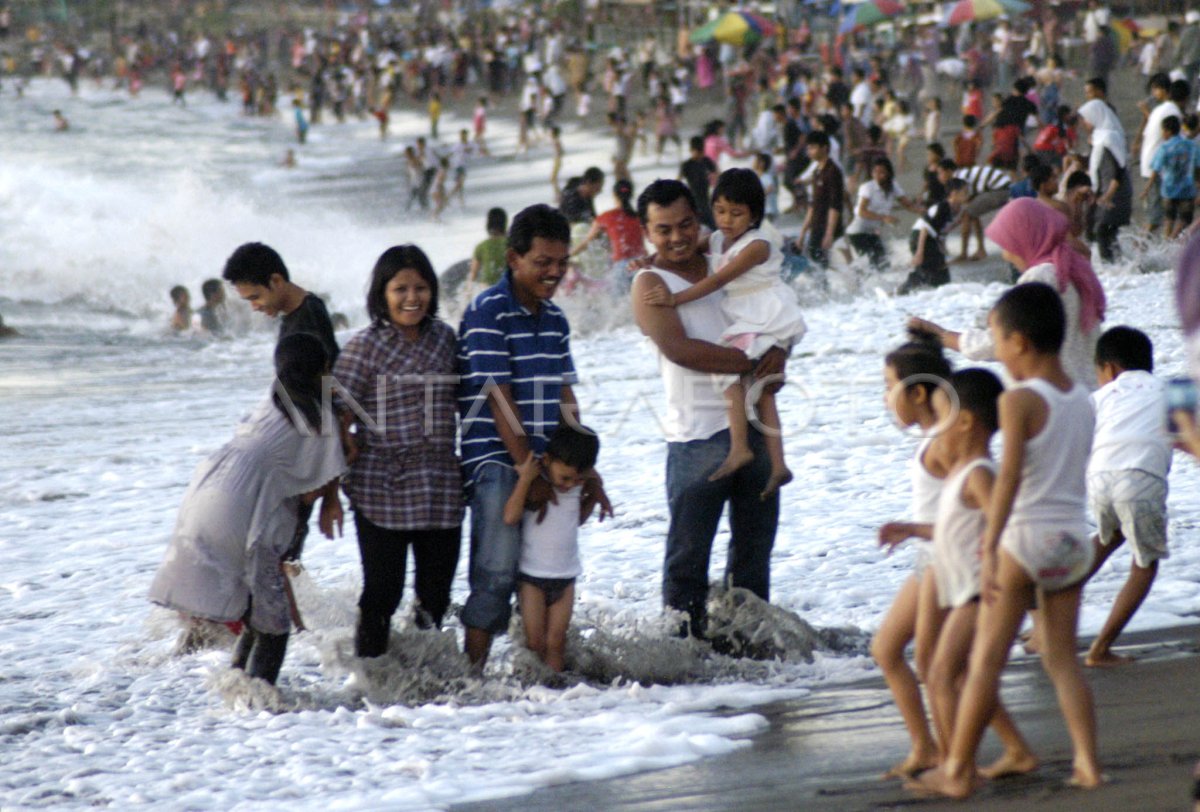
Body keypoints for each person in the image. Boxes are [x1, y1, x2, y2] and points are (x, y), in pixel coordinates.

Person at [910, 283, 1102, 798]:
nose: (994, 349)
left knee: (984, 663)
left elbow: (1011, 475)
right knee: (1062, 660)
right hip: (1072, 539)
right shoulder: (1082, 398)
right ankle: (1087, 763)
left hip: (1026, 538)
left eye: (995, 338)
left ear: (1018, 341)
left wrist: (991, 551)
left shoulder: (1019, 399)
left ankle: (955, 772)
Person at [631, 179, 787, 637]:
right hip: (696, 437)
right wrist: (750, 362)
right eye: (663, 230)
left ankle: (752, 659)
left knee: (754, 559)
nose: (676, 237)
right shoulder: (649, 283)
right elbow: (680, 349)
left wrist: (778, 350)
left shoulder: (727, 260)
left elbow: (767, 313)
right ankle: (685, 664)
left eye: (684, 224)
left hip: (754, 425)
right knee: (687, 564)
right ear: (647, 232)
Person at [457, 204, 610, 669]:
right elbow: (498, 398)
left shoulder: (556, 319)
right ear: (513, 258)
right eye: (542, 262)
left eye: (561, 263)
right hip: (497, 461)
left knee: (550, 570)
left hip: (551, 460)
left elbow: (566, 398)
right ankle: (474, 678)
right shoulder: (487, 312)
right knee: (497, 572)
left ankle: (538, 676)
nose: (554, 272)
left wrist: (586, 467)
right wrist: (531, 469)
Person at [148, 333, 346, 685]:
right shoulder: (319, 417)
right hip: (252, 509)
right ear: (324, 369)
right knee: (273, 621)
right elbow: (310, 489)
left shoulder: (272, 400)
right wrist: (332, 498)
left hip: (209, 489)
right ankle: (258, 706)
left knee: (254, 607)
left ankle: (238, 689)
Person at [643, 169, 805, 498]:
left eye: (736, 213)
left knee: (744, 381)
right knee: (761, 389)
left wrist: (675, 298)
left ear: (755, 215)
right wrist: (648, 261)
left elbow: (717, 280)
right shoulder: (716, 240)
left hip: (763, 316)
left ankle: (749, 451)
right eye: (720, 211)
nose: (726, 220)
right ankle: (774, 462)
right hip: (746, 324)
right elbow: (687, 250)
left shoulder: (757, 245)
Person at [332, 246, 462, 656]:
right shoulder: (364, 346)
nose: (412, 298)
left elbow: (467, 399)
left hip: (440, 484)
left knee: (435, 597)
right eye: (400, 288)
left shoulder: (445, 339)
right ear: (381, 294)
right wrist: (341, 455)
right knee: (381, 595)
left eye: (421, 288)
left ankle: (423, 684)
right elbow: (335, 410)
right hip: (380, 487)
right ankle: (371, 683)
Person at [923, 368, 1038, 778]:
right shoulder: (961, 473)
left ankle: (959, 766)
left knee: (942, 675)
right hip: (966, 590)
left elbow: (1003, 523)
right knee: (963, 677)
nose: (936, 429)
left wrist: (1000, 569)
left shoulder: (979, 473)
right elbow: (957, 528)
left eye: (941, 418)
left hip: (980, 591)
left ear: (966, 422)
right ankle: (1013, 751)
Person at [908, 198, 1106, 388]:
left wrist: (941, 336)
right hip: (1084, 392)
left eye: (1008, 243)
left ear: (1025, 238)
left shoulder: (1040, 279)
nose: (1006, 254)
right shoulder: (1074, 268)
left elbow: (1003, 342)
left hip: (1047, 400)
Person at [873, 341, 953, 779]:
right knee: (887, 650)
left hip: (946, 565)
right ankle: (926, 748)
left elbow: (976, 509)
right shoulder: (932, 437)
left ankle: (954, 756)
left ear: (918, 393)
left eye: (889, 387)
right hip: (928, 561)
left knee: (932, 664)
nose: (886, 398)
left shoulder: (945, 441)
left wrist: (914, 529)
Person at [1082, 327, 1172, 667]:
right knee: (1145, 564)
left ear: (1109, 369)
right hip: (1141, 479)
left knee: (1110, 535)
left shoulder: (1101, 396)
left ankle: (1048, 604)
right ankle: (1100, 649)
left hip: (1099, 477)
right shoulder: (1172, 389)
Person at [504, 423, 602, 672]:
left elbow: (575, 520)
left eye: (577, 479)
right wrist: (525, 480)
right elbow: (510, 517)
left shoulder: (576, 486)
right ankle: (533, 694)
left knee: (556, 642)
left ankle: (557, 697)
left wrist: (594, 497)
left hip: (566, 579)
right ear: (546, 460)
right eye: (565, 478)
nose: (569, 485)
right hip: (531, 579)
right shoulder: (536, 486)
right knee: (535, 643)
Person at [222, 242, 339, 367]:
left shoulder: (308, 319)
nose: (254, 307)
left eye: (256, 297)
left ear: (276, 281)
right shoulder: (298, 313)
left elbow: (327, 377)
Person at [1077, 97, 1132, 261]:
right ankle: (1120, 267)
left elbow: (1119, 170)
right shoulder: (1100, 138)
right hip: (1106, 192)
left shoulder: (1108, 138)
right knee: (1106, 233)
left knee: (1103, 231)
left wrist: (1108, 196)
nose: (1084, 123)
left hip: (1114, 193)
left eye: (1086, 119)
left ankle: (1112, 269)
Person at [569, 178, 645, 292]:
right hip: (641, 263)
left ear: (614, 195)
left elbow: (586, 242)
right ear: (632, 194)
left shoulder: (606, 217)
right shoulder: (639, 217)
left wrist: (567, 256)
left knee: (618, 306)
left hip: (621, 267)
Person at [845, 157, 920, 272]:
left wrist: (923, 211)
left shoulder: (893, 186)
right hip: (857, 232)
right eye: (875, 172)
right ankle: (859, 282)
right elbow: (861, 211)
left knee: (883, 263)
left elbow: (908, 205)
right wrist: (884, 217)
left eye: (882, 172)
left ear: (889, 173)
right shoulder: (867, 187)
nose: (878, 176)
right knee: (873, 262)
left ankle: (872, 283)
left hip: (872, 232)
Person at [900, 178, 969, 295]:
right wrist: (919, 253)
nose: (968, 195)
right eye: (965, 192)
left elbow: (940, 230)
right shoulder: (944, 207)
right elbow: (925, 228)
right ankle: (902, 292)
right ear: (954, 193)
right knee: (927, 268)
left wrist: (942, 245)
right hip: (920, 237)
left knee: (940, 269)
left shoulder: (956, 208)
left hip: (930, 239)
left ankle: (936, 295)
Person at [1136, 74, 1183, 235]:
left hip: (1154, 166)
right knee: (1156, 216)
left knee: (1159, 214)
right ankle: (1140, 251)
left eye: (1155, 89)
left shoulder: (1166, 110)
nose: (1153, 93)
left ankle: (1144, 249)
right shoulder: (1167, 110)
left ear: (1163, 90)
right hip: (1155, 167)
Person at [1146, 115, 1200, 239]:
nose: (1162, 133)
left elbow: (1156, 169)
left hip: (1169, 190)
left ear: (1168, 131)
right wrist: (1198, 183)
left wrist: (1147, 188)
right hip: (1187, 190)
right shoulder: (1192, 145)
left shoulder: (1164, 147)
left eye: (1163, 130)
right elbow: (1198, 167)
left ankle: (1167, 243)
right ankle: (1173, 241)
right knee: (1185, 220)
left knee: (1169, 219)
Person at [796, 130, 844, 270]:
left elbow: (835, 205)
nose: (809, 151)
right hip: (817, 226)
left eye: (813, 147)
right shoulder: (817, 171)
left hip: (828, 227)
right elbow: (813, 204)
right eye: (808, 148)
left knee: (823, 266)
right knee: (817, 265)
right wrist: (802, 233)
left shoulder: (833, 171)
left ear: (824, 148)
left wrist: (829, 233)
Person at [953, 161, 1013, 261]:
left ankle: (965, 253)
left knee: (967, 214)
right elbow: (970, 201)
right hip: (1002, 188)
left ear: (947, 171)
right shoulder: (961, 175)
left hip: (1001, 190)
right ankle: (980, 250)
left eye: (940, 173)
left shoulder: (959, 178)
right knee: (972, 212)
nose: (939, 177)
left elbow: (966, 199)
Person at [467, 207, 508, 295]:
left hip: (486, 289)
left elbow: (473, 275)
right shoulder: (512, 244)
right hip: (507, 288)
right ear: (504, 224)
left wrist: (468, 293)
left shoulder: (481, 246)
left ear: (488, 225)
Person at [680, 135, 718, 229]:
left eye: (701, 152)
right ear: (691, 150)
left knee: (714, 228)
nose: (700, 155)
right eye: (697, 152)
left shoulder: (706, 161)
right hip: (693, 201)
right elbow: (678, 181)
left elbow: (717, 176)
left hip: (706, 200)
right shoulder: (687, 165)